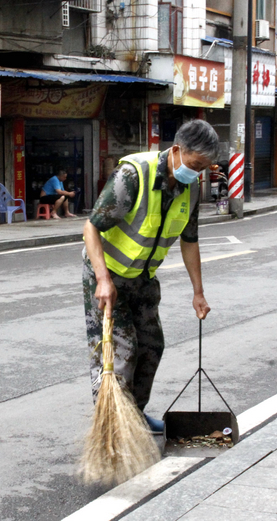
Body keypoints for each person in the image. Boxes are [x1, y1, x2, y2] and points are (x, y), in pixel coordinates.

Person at [82, 119, 219, 434]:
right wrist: (103, 279)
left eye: (204, 168)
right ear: (175, 151)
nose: (197, 173)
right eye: (195, 164)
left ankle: (134, 413)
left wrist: (198, 292)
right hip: (107, 273)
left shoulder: (191, 188)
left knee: (151, 345)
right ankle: (112, 427)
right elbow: (91, 227)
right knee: (120, 351)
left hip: (142, 278)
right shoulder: (132, 176)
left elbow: (190, 240)